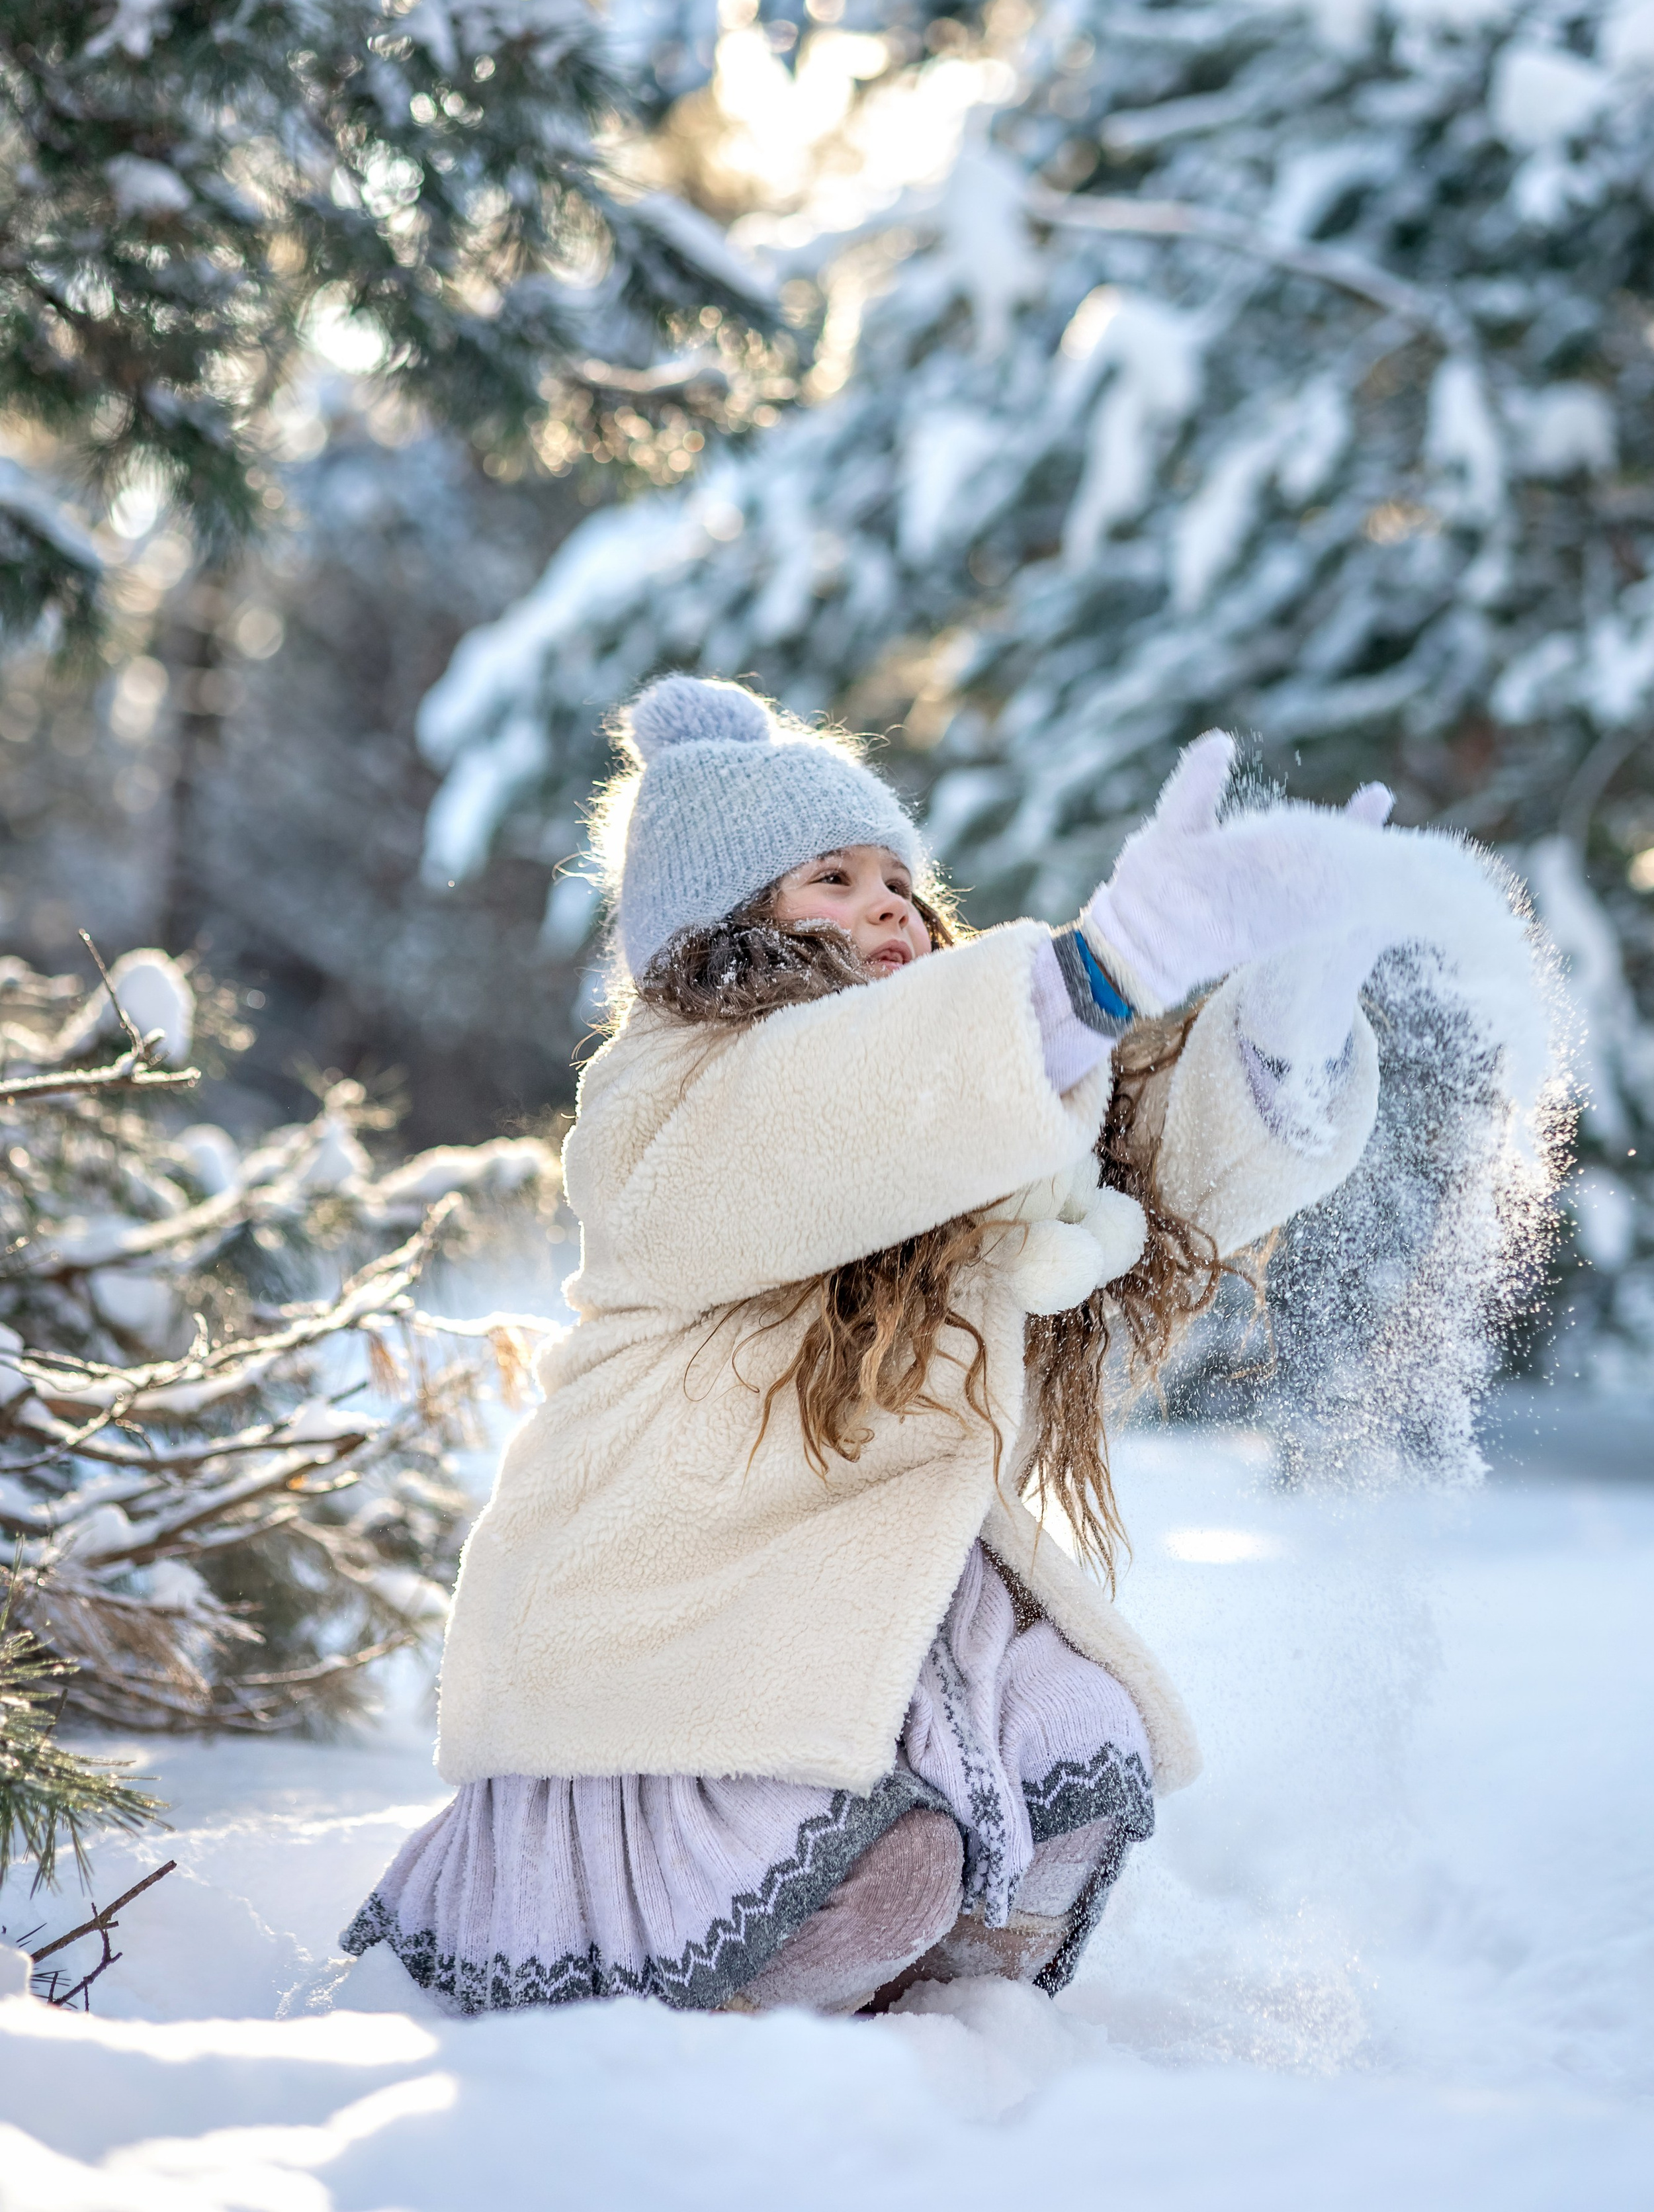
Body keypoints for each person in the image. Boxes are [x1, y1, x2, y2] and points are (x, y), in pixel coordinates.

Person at [343, 676, 1401, 2015]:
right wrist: (1088, 973)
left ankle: (949, 2036)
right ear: (716, 929)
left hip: (875, 1589)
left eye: (897, 877)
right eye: (832, 878)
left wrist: (1275, 1049)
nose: (888, 901)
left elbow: (1122, 1168)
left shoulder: (953, 1105)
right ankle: (715, 2035)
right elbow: (833, 1116)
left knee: (1078, 1740)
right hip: (677, 1620)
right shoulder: (666, 1095)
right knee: (883, 1877)